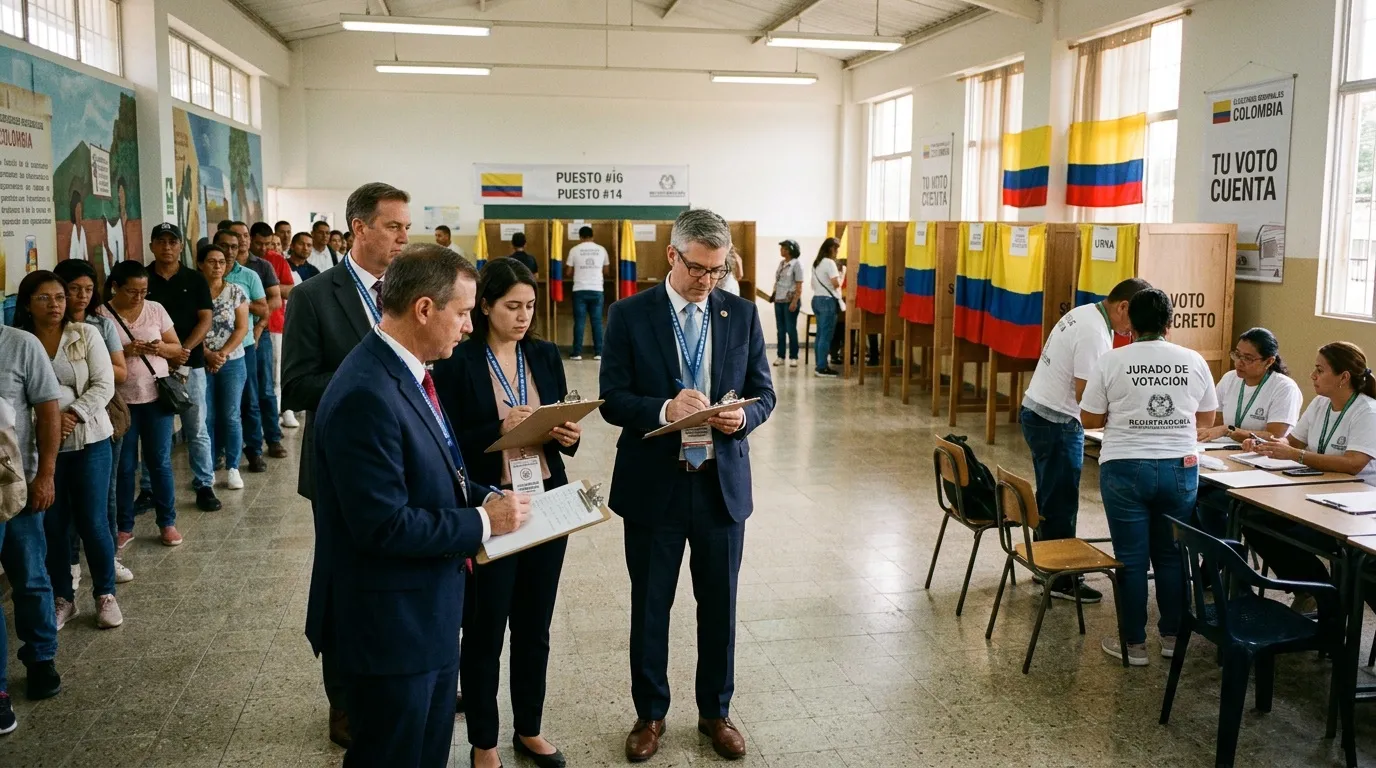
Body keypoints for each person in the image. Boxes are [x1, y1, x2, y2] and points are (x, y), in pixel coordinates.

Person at [307, 243, 531, 767]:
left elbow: (438, 471)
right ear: (424, 309)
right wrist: (482, 520)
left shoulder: (406, 372)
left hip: (423, 615)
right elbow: (383, 526)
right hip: (391, 626)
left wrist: (487, 496)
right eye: (463, 313)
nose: (470, 327)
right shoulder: (367, 392)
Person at [599, 209, 776, 762]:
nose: (708, 282)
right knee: (651, 604)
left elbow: (764, 393)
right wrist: (664, 407)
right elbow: (613, 398)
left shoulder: (741, 313)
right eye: (699, 269)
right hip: (656, 485)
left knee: (719, 604)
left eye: (718, 271)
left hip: (721, 484)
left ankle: (715, 712)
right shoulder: (629, 315)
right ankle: (650, 714)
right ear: (672, 257)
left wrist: (741, 418)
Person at [283, 181, 414, 748]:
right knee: (342, 581)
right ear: (359, 228)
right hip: (340, 467)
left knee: (407, 575)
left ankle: (410, 677)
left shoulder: (414, 290)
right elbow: (295, 384)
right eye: (393, 227)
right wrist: (368, 382)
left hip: (411, 459)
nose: (404, 237)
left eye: (407, 227)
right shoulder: (315, 295)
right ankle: (343, 698)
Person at [432, 259, 578, 768]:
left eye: (530, 307)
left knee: (535, 626)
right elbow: (447, 445)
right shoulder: (457, 361)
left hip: (546, 502)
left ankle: (530, 729)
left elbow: (557, 426)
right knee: (486, 628)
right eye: (511, 306)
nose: (523, 317)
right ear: (486, 305)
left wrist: (567, 433)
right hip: (491, 504)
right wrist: (501, 424)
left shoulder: (542, 353)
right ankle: (484, 742)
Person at [1081, 288, 1217, 666]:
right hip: (1180, 468)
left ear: (1130, 324)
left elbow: (1090, 420)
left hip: (1124, 466)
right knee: (1172, 556)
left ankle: (1134, 644)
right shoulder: (1194, 360)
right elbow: (1206, 420)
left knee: (1131, 558)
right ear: (1170, 324)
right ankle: (1173, 638)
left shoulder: (1112, 360)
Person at [1019, 278, 1151, 603]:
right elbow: (1086, 397)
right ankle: (1061, 578)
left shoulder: (1087, 314)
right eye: (1134, 320)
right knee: (1061, 502)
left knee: (1051, 496)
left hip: (1040, 412)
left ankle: (1045, 565)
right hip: (1057, 422)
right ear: (1123, 307)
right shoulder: (1094, 333)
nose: (1133, 330)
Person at [14, 271, 122, 632]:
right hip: (41, 448)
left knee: (93, 521)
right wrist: (47, 422)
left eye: (59, 297)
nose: (55, 305)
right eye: (44, 298)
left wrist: (73, 414)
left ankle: (105, 594)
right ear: (27, 303)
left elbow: (104, 383)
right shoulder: (18, 342)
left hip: (90, 441)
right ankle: (64, 597)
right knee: (54, 524)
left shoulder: (85, 333)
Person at [1242, 342, 1376, 616]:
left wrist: (1296, 455)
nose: (1312, 376)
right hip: (1318, 494)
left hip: (1356, 505)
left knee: (1313, 540)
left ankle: (1330, 605)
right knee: (1254, 517)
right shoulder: (1320, 404)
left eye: (1320, 370)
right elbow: (1290, 441)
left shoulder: (1367, 411)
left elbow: (1353, 464)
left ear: (1344, 377)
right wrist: (1263, 444)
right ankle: (1314, 591)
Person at [0, 317, 64, 728]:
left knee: (30, 575)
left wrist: (46, 474)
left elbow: (47, 413)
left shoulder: (21, 344)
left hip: (16, 485)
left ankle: (41, 656)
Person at [53, 259, 133, 585]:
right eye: (74, 289)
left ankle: (107, 563)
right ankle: (70, 565)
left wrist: (91, 355)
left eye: (88, 289)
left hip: (101, 418)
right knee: (62, 506)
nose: (83, 296)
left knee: (103, 499)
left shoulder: (99, 326)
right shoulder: (40, 331)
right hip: (53, 430)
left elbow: (117, 374)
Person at [98, 261, 184, 549]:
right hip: (121, 402)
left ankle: (167, 522)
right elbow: (97, 360)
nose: (138, 297)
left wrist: (158, 347)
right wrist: (125, 351)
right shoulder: (101, 315)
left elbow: (177, 349)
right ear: (116, 287)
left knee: (159, 462)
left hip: (156, 398)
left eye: (143, 291)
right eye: (132, 291)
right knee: (123, 467)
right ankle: (124, 525)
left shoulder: (155, 309)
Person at [1193, 328, 1302, 536]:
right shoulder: (1229, 379)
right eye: (1237, 355)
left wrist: (1231, 431)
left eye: (1248, 358)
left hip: (1263, 466)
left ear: (1269, 361)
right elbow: (1214, 423)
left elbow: (1276, 436)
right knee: (1198, 493)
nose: (1239, 363)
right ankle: (1214, 554)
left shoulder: (1283, 388)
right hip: (1229, 458)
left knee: (1214, 499)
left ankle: (1221, 557)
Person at [143, 223, 219, 513]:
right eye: (160, 241)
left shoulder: (195, 279)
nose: (167, 247)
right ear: (152, 246)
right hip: (151, 366)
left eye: (172, 242)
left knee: (196, 427)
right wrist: (166, 354)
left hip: (192, 364)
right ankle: (149, 489)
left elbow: (205, 319)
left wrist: (183, 351)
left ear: (180, 247)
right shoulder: (143, 278)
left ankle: (204, 484)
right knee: (155, 432)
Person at [231, 221, 288, 464]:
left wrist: (258, 327)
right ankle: (242, 444)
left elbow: (273, 301)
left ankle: (273, 438)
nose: (242, 241)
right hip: (228, 338)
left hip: (258, 334)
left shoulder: (261, 266)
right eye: (238, 237)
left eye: (245, 236)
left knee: (265, 387)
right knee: (243, 393)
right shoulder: (220, 267)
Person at [197, 242, 251, 492]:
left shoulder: (236, 291)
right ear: (200, 264)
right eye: (211, 261)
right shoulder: (194, 292)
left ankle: (232, 467)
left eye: (221, 262)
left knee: (231, 415)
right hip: (200, 360)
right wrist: (207, 354)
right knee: (205, 417)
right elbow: (187, 327)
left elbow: (242, 327)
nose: (217, 266)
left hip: (232, 360)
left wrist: (221, 354)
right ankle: (205, 471)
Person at [213, 229, 268, 472]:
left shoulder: (248, 276)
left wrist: (254, 331)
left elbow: (264, 308)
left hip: (242, 348)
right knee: (214, 407)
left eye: (234, 247)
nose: (229, 251)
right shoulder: (201, 278)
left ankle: (254, 450)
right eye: (224, 246)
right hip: (208, 352)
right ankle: (219, 453)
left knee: (249, 402)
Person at [250, 222, 297, 434]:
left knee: (275, 373)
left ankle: (281, 412)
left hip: (274, 323)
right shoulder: (242, 263)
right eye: (259, 243)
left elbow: (288, 291)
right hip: (244, 327)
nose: (263, 249)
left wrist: (272, 287)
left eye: (267, 244)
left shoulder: (275, 260)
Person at [566, 226, 608, 361]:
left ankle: (577, 353)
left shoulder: (574, 250)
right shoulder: (601, 250)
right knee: (597, 322)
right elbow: (606, 271)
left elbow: (568, 272)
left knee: (579, 322)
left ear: (580, 237)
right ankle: (599, 353)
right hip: (597, 289)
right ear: (592, 236)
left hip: (579, 289)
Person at [811, 238, 842, 377]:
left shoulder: (816, 263)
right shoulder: (830, 263)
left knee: (820, 334)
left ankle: (819, 363)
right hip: (827, 301)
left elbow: (813, 284)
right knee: (826, 335)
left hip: (817, 299)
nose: (837, 252)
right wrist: (841, 275)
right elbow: (836, 284)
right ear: (831, 249)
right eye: (836, 249)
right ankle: (822, 367)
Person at [771, 239, 804, 368]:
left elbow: (799, 285)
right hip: (779, 300)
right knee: (780, 330)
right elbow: (778, 281)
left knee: (791, 329)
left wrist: (795, 301)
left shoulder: (796, 265)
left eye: (784, 248)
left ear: (790, 250)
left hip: (790, 301)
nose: (781, 250)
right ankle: (780, 356)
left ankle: (794, 357)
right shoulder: (782, 264)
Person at [104, 177, 129, 275]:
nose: (120, 197)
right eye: (118, 194)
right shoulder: (112, 221)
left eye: (122, 194)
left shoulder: (126, 218)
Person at [67, 191, 88, 264]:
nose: (79, 215)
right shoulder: (71, 231)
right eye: (77, 211)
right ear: (73, 212)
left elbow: (85, 255)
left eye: (80, 211)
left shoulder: (82, 230)